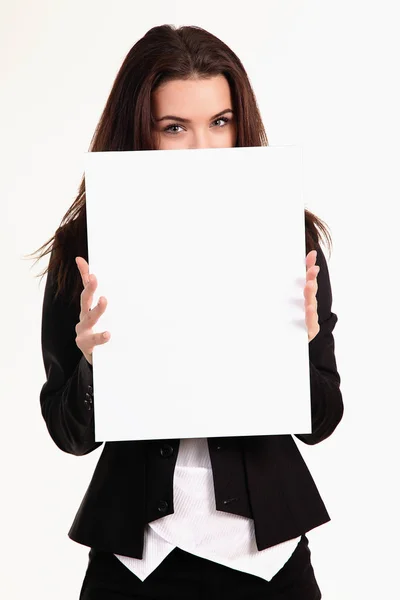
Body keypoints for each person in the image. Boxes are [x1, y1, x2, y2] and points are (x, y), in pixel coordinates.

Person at [31, 24, 343, 600]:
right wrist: (90, 363)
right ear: (140, 132)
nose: (203, 147)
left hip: (269, 560)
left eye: (220, 122)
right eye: (175, 127)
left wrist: (299, 344)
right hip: (134, 560)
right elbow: (67, 434)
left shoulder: (288, 234)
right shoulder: (84, 245)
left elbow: (323, 421)